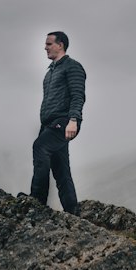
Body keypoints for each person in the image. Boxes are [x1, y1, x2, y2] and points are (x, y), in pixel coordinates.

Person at [30, 31, 86, 213]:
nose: (45, 47)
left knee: (40, 147)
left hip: (63, 122)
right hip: (48, 124)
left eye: (48, 44)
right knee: (61, 169)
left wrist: (73, 120)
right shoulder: (50, 72)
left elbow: (78, 96)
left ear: (60, 45)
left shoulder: (72, 67)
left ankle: (36, 201)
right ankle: (72, 211)